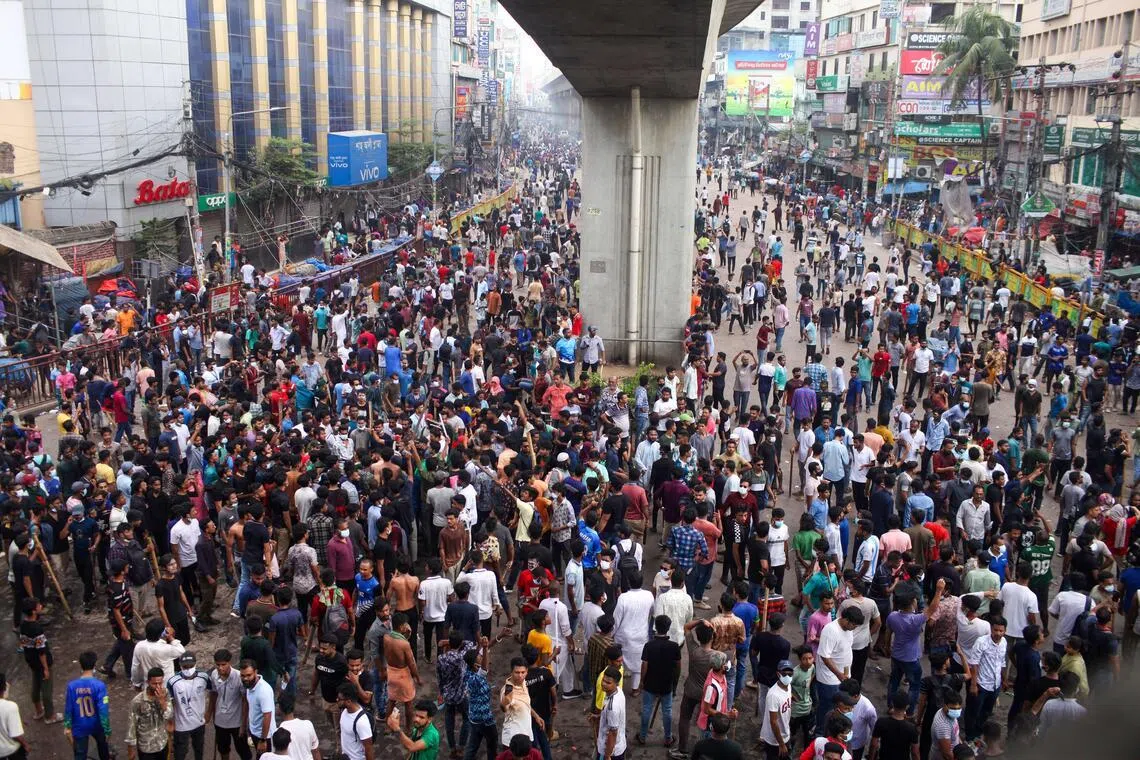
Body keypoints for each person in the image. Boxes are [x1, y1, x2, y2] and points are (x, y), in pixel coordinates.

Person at [637, 615, 682, 748]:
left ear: (655, 627)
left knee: (646, 709)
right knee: (667, 710)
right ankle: (668, 738)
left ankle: (642, 736)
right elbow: (678, 667)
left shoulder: (649, 645)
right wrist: (674, 683)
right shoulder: (674, 646)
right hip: (666, 683)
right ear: (668, 628)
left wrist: (642, 681)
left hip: (650, 683)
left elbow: (644, 665)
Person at [18, 597, 61, 723]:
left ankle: (38, 711)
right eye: (38, 605)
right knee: (46, 688)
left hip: (31, 661)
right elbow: (41, 651)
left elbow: (24, 644)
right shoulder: (36, 629)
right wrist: (46, 668)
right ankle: (50, 715)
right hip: (41, 662)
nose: (40, 606)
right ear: (33, 611)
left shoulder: (23, 625)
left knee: (35, 686)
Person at [64, 651, 111, 760]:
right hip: (97, 724)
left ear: (80, 665)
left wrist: (68, 727)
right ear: (95, 665)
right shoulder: (100, 686)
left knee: (80, 754)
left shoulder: (72, 686)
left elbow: (68, 709)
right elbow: (103, 710)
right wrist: (107, 729)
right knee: (103, 749)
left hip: (79, 725)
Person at [167, 652, 212, 760]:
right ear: (180, 666)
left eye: (191, 666)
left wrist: (209, 713)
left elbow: (213, 692)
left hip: (199, 722)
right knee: (180, 752)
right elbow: (170, 702)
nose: (188, 669)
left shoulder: (203, 677)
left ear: (195, 664)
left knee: (199, 749)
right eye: (185, 667)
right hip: (181, 725)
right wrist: (171, 721)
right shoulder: (173, 682)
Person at [208, 649, 252, 760]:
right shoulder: (214, 674)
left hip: (236, 723)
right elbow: (213, 694)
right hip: (220, 721)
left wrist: (244, 724)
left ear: (229, 663)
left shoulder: (239, 677)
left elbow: (245, 701)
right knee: (223, 750)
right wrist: (209, 714)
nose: (220, 668)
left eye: (223, 664)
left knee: (243, 751)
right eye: (218, 665)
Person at [126, 667, 174, 760]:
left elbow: (169, 715)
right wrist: (131, 749)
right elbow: (131, 725)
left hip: (162, 743)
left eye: (160, 683)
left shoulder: (165, 693)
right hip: (146, 747)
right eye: (154, 683)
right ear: (148, 682)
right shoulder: (138, 701)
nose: (158, 686)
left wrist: (162, 702)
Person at [759, 659, 795, 760]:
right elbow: (773, 722)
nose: (787, 676)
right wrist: (781, 744)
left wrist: (793, 698)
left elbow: (788, 694)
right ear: (778, 674)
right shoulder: (773, 695)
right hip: (774, 740)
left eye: (790, 674)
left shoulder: (788, 686)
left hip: (785, 733)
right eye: (784, 674)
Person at [240, 659, 277, 755]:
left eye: (249, 675)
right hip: (254, 732)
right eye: (243, 676)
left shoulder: (264, 691)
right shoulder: (249, 685)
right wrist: (244, 726)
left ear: (256, 672)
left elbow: (267, 716)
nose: (245, 678)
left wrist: (263, 740)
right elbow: (247, 704)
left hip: (265, 736)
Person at [278, 692, 321, 760]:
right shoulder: (308, 725)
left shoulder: (277, 733)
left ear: (280, 709)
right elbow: (316, 751)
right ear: (294, 706)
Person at [337, 681, 374, 760]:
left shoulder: (361, 722)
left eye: (339, 699)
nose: (337, 700)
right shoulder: (344, 711)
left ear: (348, 702)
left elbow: (369, 749)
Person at [597, 666, 627, 760]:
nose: (603, 684)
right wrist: (599, 716)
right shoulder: (619, 691)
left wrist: (607, 755)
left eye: (608, 683)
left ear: (616, 683)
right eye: (603, 680)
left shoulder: (612, 708)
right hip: (619, 744)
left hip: (611, 751)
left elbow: (613, 733)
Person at [0, 673, 29, 760]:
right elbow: (16, 735)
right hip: (11, 752)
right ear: (4, 688)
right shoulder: (10, 707)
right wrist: (25, 744)